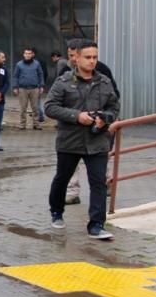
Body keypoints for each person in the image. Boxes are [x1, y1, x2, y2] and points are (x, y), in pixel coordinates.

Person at [45, 40, 119, 239]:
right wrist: (76, 116)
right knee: (62, 179)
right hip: (70, 141)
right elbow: (50, 107)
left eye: (95, 57)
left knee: (98, 183)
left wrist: (105, 119)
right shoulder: (63, 81)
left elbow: (114, 107)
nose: (92, 61)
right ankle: (56, 212)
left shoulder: (104, 81)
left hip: (97, 141)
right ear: (76, 57)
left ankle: (96, 225)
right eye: (88, 57)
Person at [12, 48, 45, 130]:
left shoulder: (37, 64)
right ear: (23, 54)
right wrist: (15, 87)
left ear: (32, 54)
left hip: (34, 89)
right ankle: (22, 125)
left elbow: (41, 75)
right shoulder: (19, 64)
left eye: (29, 53)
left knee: (35, 108)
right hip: (22, 89)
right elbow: (15, 76)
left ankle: (36, 124)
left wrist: (41, 86)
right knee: (23, 108)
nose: (27, 55)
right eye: (26, 53)